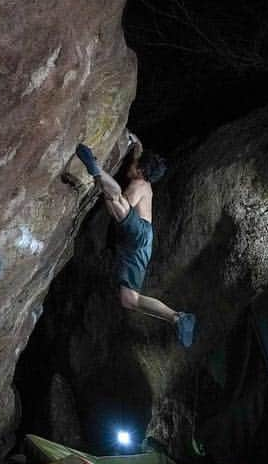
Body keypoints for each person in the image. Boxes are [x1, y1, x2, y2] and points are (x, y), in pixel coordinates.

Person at [73, 135, 196, 348]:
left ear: (140, 172)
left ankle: (96, 169)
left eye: (135, 166)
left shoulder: (138, 185)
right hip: (140, 243)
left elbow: (121, 205)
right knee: (129, 300)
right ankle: (177, 318)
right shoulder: (143, 178)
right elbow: (139, 149)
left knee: (116, 201)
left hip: (136, 233)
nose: (131, 166)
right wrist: (133, 140)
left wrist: (101, 181)